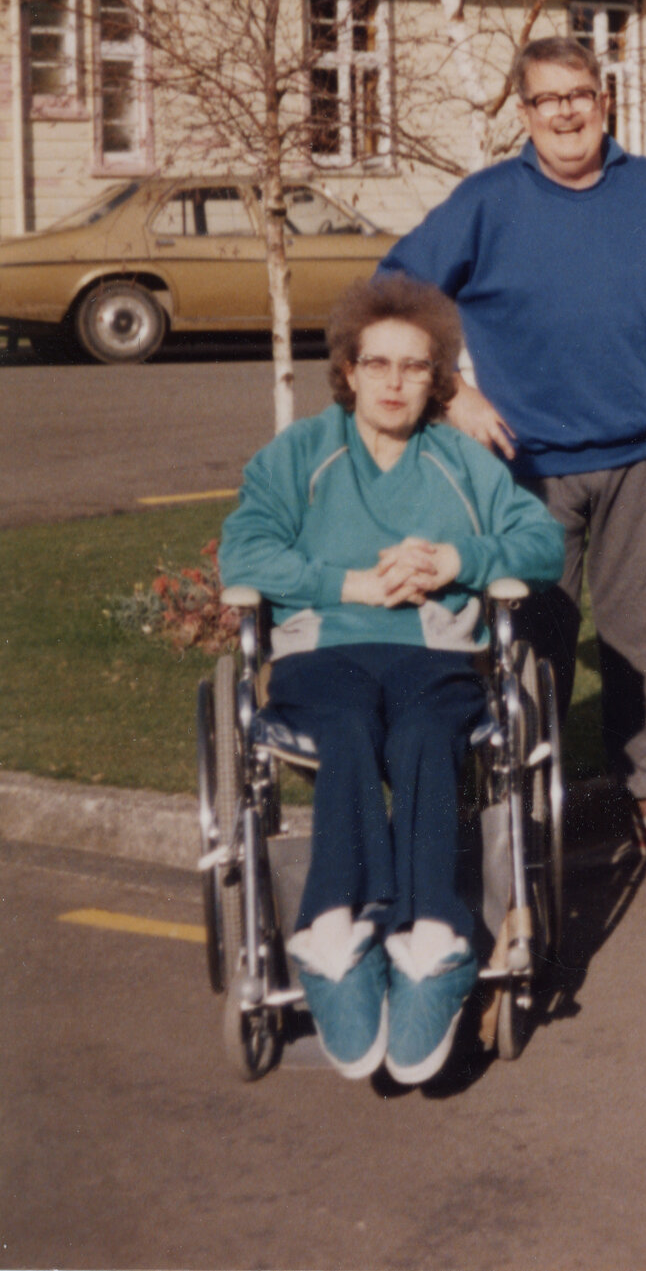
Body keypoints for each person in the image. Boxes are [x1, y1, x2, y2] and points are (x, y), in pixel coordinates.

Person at [380, 34, 646, 859]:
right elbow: (393, 291)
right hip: (527, 466)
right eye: (546, 98)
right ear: (523, 113)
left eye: (578, 94)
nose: (565, 111)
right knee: (524, 638)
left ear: (605, 99)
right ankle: (510, 801)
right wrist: (450, 391)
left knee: (644, 638)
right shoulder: (485, 202)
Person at [218, 275, 563, 1083]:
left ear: (439, 377)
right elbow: (246, 552)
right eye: (379, 364)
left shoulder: (458, 462)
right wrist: (352, 585)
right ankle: (335, 933)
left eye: (416, 367)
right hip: (324, 651)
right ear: (347, 368)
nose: (397, 382)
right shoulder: (299, 453)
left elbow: (540, 543)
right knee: (343, 729)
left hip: (432, 653)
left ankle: (431, 941)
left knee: (422, 731)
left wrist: (457, 559)